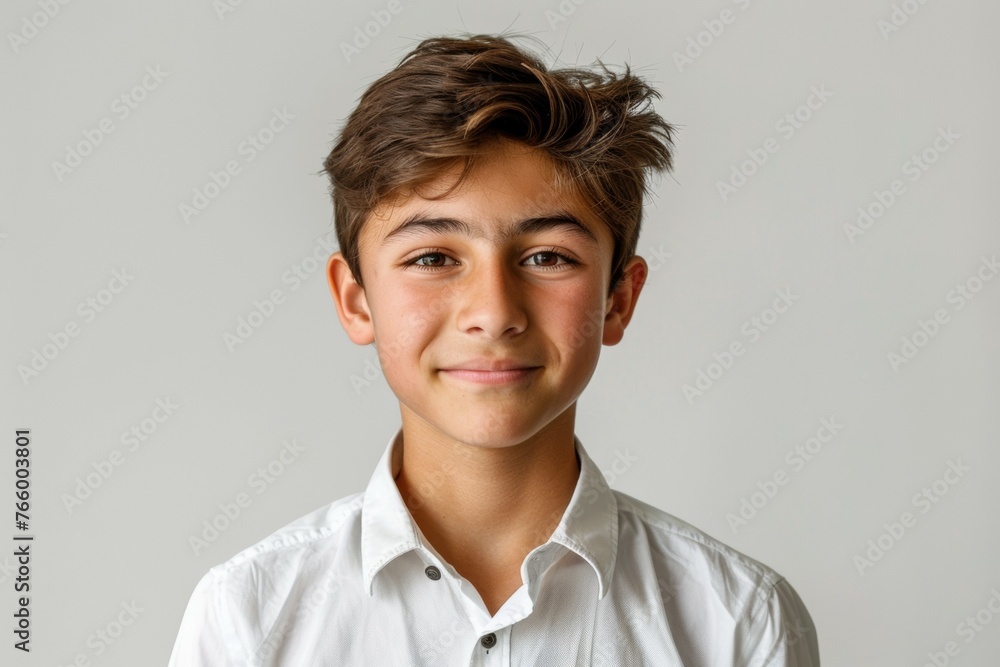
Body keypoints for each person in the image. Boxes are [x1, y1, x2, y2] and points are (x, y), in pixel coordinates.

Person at [168, 33, 820, 665]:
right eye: (432, 256)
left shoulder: (737, 622)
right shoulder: (247, 619)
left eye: (546, 257)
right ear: (356, 298)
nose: (494, 312)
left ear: (618, 297)